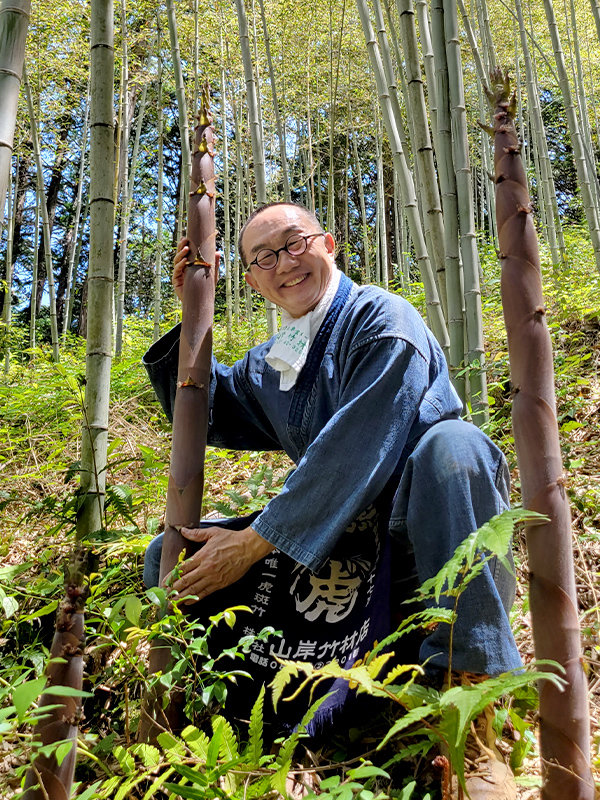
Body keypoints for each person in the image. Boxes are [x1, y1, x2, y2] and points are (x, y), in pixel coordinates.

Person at [143, 201, 521, 799]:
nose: (282, 265)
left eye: (294, 244)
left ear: (329, 243)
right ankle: (241, 716)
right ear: (249, 278)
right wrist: (193, 306)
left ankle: (469, 715)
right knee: (173, 551)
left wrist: (254, 542)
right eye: (261, 258)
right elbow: (208, 410)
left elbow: (357, 443)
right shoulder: (281, 353)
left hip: (423, 544)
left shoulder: (381, 317)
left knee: (456, 448)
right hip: (337, 551)